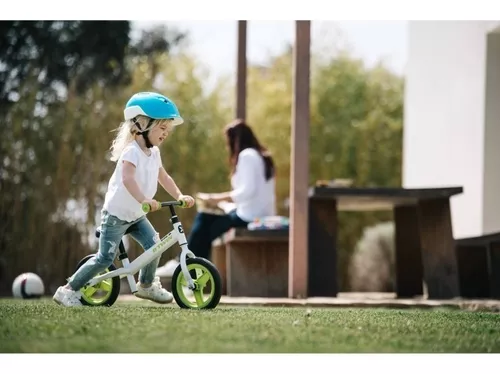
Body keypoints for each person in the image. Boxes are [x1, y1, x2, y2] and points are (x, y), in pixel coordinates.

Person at [53, 92, 195, 307]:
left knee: (154, 246)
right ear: (143, 124)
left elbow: (163, 176)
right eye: (162, 128)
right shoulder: (131, 152)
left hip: (137, 215)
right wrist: (145, 199)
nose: (166, 133)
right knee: (105, 259)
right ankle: (68, 290)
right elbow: (128, 180)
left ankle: (146, 286)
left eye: (168, 130)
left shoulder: (154, 153)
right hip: (116, 216)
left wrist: (179, 195)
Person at [188, 118, 276, 260]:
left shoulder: (246, 155)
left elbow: (247, 191)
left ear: (235, 140)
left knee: (204, 220)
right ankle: (195, 265)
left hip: (249, 218)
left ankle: (189, 263)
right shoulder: (262, 156)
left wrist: (213, 199)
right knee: (210, 222)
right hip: (259, 213)